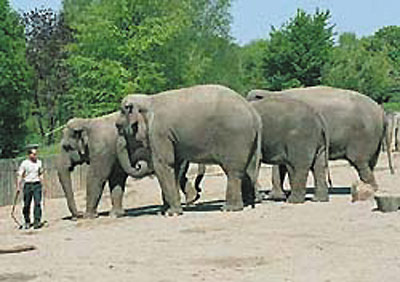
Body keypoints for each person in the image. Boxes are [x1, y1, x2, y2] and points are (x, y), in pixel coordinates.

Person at [17, 148, 44, 229]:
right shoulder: (24, 163)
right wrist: (18, 186)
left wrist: (43, 184)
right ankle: (27, 221)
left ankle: (37, 221)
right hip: (28, 184)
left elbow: (41, 173)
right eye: (33, 154)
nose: (35, 156)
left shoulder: (39, 162)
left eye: (36, 154)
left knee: (37, 203)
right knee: (27, 204)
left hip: (37, 184)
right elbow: (20, 175)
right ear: (29, 155)